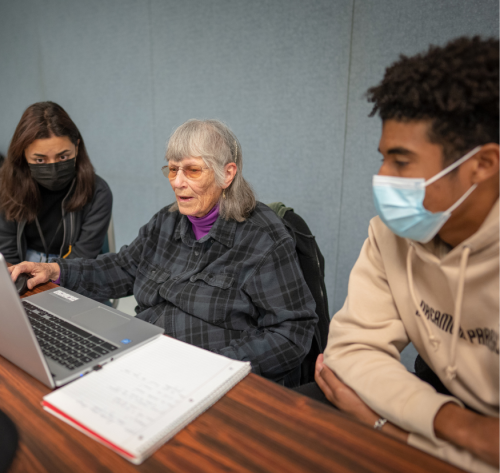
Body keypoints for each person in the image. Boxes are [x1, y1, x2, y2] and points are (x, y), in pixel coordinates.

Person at [10, 119, 318, 387]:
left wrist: (217, 367)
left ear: (227, 174)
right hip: (146, 359)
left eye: (192, 170)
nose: (178, 183)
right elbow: (124, 268)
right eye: (172, 170)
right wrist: (58, 272)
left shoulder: (263, 238)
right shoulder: (166, 222)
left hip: (211, 376)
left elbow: (293, 331)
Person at [313, 37, 498, 473]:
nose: (381, 177)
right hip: (439, 414)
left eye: (401, 161)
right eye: (383, 158)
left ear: (482, 165)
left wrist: (382, 420)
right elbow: (350, 351)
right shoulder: (390, 234)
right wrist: (452, 426)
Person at [0, 102, 113, 264]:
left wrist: (52, 275)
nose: (53, 168)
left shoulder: (98, 192)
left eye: (63, 157)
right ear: (23, 153)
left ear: (76, 147)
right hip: (24, 262)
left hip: (72, 267)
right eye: (40, 159)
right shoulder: (6, 186)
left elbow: (83, 256)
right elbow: (7, 252)